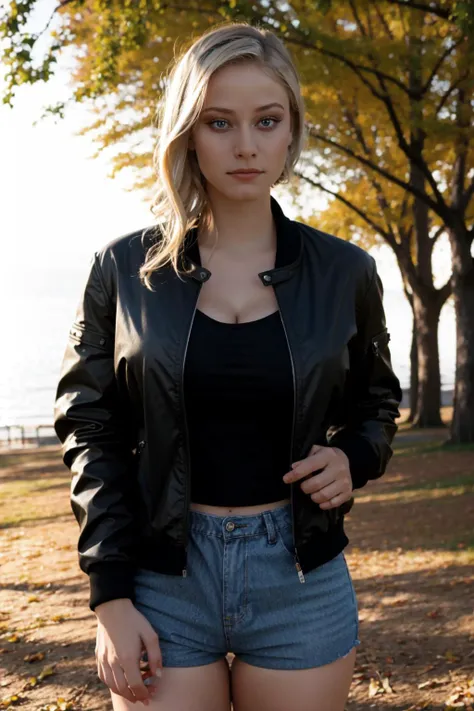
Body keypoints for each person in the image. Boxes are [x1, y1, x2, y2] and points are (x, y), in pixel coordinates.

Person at [54, 21, 402, 711]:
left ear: (291, 129)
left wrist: (354, 457)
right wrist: (110, 598)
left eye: (266, 121)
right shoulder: (124, 270)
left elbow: (378, 401)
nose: (246, 145)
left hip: (299, 576)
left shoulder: (346, 272)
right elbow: (89, 428)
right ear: (188, 131)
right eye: (219, 122)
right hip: (162, 577)